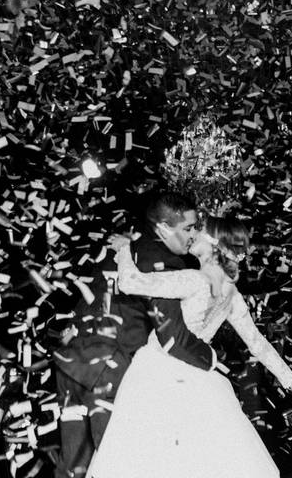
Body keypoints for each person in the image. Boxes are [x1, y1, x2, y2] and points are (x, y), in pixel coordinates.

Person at [86, 215, 292, 478]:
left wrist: (123, 250)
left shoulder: (195, 280)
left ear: (216, 245)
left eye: (199, 231)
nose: (192, 235)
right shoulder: (231, 294)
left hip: (159, 372)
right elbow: (258, 344)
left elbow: (130, 282)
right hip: (198, 378)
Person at [53, 192, 220, 478]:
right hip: (109, 369)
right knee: (117, 467)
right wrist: (212, 360)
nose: (194, 235)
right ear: (164, 227)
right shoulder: (162, 261)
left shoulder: (124, 246)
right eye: (188, 228)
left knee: (74, 469)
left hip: (71, 362)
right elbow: (172, 337)